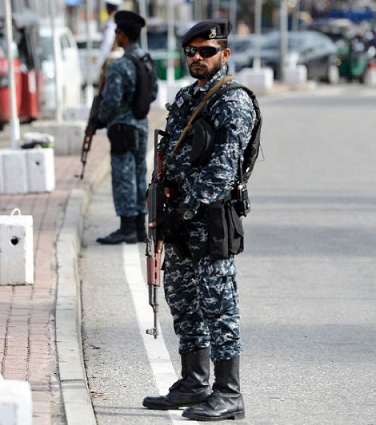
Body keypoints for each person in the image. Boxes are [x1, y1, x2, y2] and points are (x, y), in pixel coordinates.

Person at [141, 19, 257, 421]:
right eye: (190, 52)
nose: (197, 58)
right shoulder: (186, 97)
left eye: (206, 52)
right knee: (184, 303)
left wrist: (183, 211)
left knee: (219, 308)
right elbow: (170, 158)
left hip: (210, 221)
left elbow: (222, 172)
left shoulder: (232, 101)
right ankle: (193, 383)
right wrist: (162, 209)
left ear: (224, 54)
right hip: (179, 222)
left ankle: (229, 394)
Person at [95, 10, 157, 245]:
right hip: (141, 126)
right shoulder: (147, 61)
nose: (116, 36)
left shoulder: (120, 66)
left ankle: (127, 228)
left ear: (123, 35)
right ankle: (141, 228)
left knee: (123, 176)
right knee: (140, 173)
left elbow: (110, 102)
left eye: (118, 32)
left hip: (122, 127)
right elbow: (153, 94)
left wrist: (101, 118)